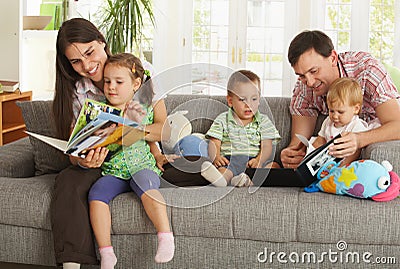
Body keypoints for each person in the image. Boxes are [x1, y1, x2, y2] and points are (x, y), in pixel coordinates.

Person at [51, 18, 168, 269]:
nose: (87, 65)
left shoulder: (136, 71)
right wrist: (80, 159)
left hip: (141, 155)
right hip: (100, 162)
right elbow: (75, 146)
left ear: (102, 42)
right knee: (69, 181)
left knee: (179, 166)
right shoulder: (76, 92)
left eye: (90, 52)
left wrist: (136, 134)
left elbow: (159, 126)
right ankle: (73, 262)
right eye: (76, 61)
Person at [88, 53, 174, 268]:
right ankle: (106, 252)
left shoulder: (141, 109)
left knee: (145, 184)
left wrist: (154, 151)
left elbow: (151, 138)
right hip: (114, 171)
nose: (111, 87)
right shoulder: (101, 113)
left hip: (141, 166)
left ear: (136, 84)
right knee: (97, 194)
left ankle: (165, 237)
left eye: (118, 82)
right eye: (107, 81)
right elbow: (99, 144)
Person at [280, 30, 400, 169]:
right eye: (301, 75)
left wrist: (359, 139)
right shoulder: (304, 88)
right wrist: (291, 156)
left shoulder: (367, 70)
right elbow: (298, 144)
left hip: (373, 141)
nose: (310, 82)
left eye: (314, 71)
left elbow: (397, 126)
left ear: (333, 58)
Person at [200, 70, 281, 187]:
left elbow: (267, 145)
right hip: (230, 160)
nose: (248, 104)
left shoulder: (264, 121)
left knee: (274, 166)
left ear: (259, 99)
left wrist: (260, 160)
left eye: (254, 99)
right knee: (224, 170)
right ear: (230, 101)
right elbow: (214, 143)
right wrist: (216, 157)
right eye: (242, 99)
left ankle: (247, 180)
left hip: (253, 163)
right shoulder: (223, 119)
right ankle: (222, 180)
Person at [312, 77, 370, 165]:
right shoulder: (328, 122)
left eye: (340, 112)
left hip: (345, 165)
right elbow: (320, 141)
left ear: (356, 109)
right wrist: (310, 156)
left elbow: (354, 153)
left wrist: (341, 167)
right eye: (331, 111)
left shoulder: (356, 126)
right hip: (326, 162)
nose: (335, 116)